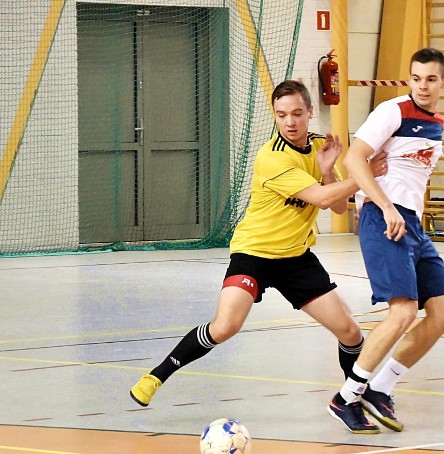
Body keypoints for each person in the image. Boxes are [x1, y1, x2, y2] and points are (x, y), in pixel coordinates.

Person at [130, 80, 387, 407]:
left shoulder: (322, 146)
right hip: (255, 253)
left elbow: (337, 205)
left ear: (310, 112)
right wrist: (366, 175)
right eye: (281, 115)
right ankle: (156, 376)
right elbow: (322, 201)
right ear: (275, 117)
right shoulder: (273, 157)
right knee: (225, 326)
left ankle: (354, 400)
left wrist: (327, 171)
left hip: (296, 257)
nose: (289, 122)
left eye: (296, 113)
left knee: (350, 332)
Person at [326, 48, 444, 434]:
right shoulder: (393, 111)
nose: (422, 86)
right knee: (403, 311)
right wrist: (384, 205)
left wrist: (409, 214)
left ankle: (380, 389)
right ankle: (346, 398)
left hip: (412, 223)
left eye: (431, 79)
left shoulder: (436, 123)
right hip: (383, 218)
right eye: (416, 78)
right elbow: (354, 159)